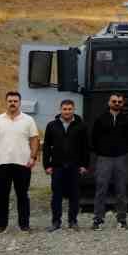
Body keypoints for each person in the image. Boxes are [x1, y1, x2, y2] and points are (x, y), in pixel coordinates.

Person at [0, 91, 41, 233]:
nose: (12, 103)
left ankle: (24, 224)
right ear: (6, 102)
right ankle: (1, 225)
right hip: (2, 163)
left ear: (19, 103)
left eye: (15, 101)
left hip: (22, 163)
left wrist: (33, 157)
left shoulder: (28, 120)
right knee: (2, 196)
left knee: (22, 195)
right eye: (10, 101)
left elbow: (34, 139)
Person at [90, 93, 128, 228]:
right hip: (104, 158)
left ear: (122, 104)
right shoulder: (100, 119)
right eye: (114, 101)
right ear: (109, 102)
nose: (117, 103)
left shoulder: (126, 119)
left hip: (121, 159)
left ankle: (122, 220)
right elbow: (94, 137)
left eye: (119, 102)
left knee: (121, 190)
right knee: (101, 189)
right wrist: (101, 151)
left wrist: (124, 149)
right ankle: (98, 220)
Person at [42, 99, 89, 231]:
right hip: (57, 166)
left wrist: (84, 165)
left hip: (75, 166)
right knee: (56, 195)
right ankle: (56, 222)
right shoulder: (52, 125)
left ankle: (73, 221)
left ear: (73, 110)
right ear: (60, 110)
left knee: (75, 194)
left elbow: (85, 147)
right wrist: (47, 165)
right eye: (65, 109)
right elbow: (46, 147)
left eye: (69, 109)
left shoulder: (81, 126)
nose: (67, 111)